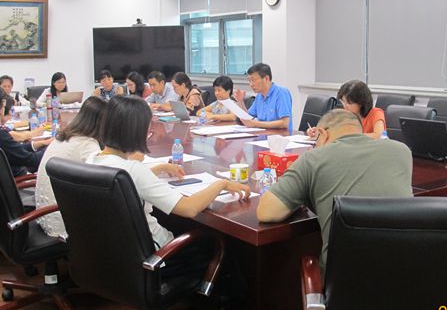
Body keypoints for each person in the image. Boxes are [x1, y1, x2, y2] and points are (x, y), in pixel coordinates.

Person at [256, 108, 413, 310]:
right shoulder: (401, 151)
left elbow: (266, 212)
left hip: (345, 287)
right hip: (409, 281)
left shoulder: (313, 159)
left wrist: (306, 194)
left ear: (322, 134)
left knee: (310, 262)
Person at [87, 95, 250, 249]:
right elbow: (189, 208)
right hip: (157, 253)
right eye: (148, 127)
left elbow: (129, 178)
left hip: (114, 252)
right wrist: (221, 184)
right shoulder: (133, 170)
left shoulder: (91, 160)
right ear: (136, 131)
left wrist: (159, 168)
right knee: (220, 245)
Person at [35, 97, 106, 239]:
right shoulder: (87, 144)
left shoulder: (64, 135)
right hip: (64, 222)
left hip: (44, 214)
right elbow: (105, 181)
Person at [0, 82, 51, 176]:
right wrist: (52, 147)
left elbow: (13, 150)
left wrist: (41, 143)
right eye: (2, 101)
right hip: (19, 178)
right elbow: (33, 161)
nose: (4, 104)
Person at [308, 80, 386, 139]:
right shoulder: (345, 115)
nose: (345, 106)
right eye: (343, 102)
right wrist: (318, 132)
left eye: (349, 103)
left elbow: (378, 136)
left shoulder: (376, 113)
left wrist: (349, 136)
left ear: (361, 102)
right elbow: (333, 131)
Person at [234, 63, 293, 132]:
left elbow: (284, 123)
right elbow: (249, 118)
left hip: (280, 136)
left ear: (266, 78)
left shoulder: (281, 93)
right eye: (249, 81)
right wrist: (240, 101)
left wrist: (256, 124)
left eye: (253, 80)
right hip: (263, 134)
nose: (251, 84)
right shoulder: (259, 96)